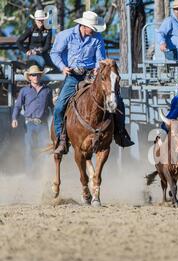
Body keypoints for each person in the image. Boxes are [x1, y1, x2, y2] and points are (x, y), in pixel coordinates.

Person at [50, 11, 133, 155]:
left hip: (91, 76)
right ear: (83, 25)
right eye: (92, 28)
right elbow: (54, 53)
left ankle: (120, 133)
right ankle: (61, 138)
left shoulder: (97, 38)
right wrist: (63, 67)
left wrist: (97, 69)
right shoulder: (66, 35)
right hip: (73, 76)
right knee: (59, 107)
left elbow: (100, 58)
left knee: (118, 101)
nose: (94, 31)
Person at [11, 65, 53, 172]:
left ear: (40, 76)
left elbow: (52, 107)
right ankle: (30, 174)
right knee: (29, 149)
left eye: (38, 75)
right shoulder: (24, 91)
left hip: (43, 124)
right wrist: (14, 118)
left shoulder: (47, 90)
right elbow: (18, 105)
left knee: (44, 148)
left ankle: (44, 172)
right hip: (29, 124)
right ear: (29, 77)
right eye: (33, 75)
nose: (36, 77)